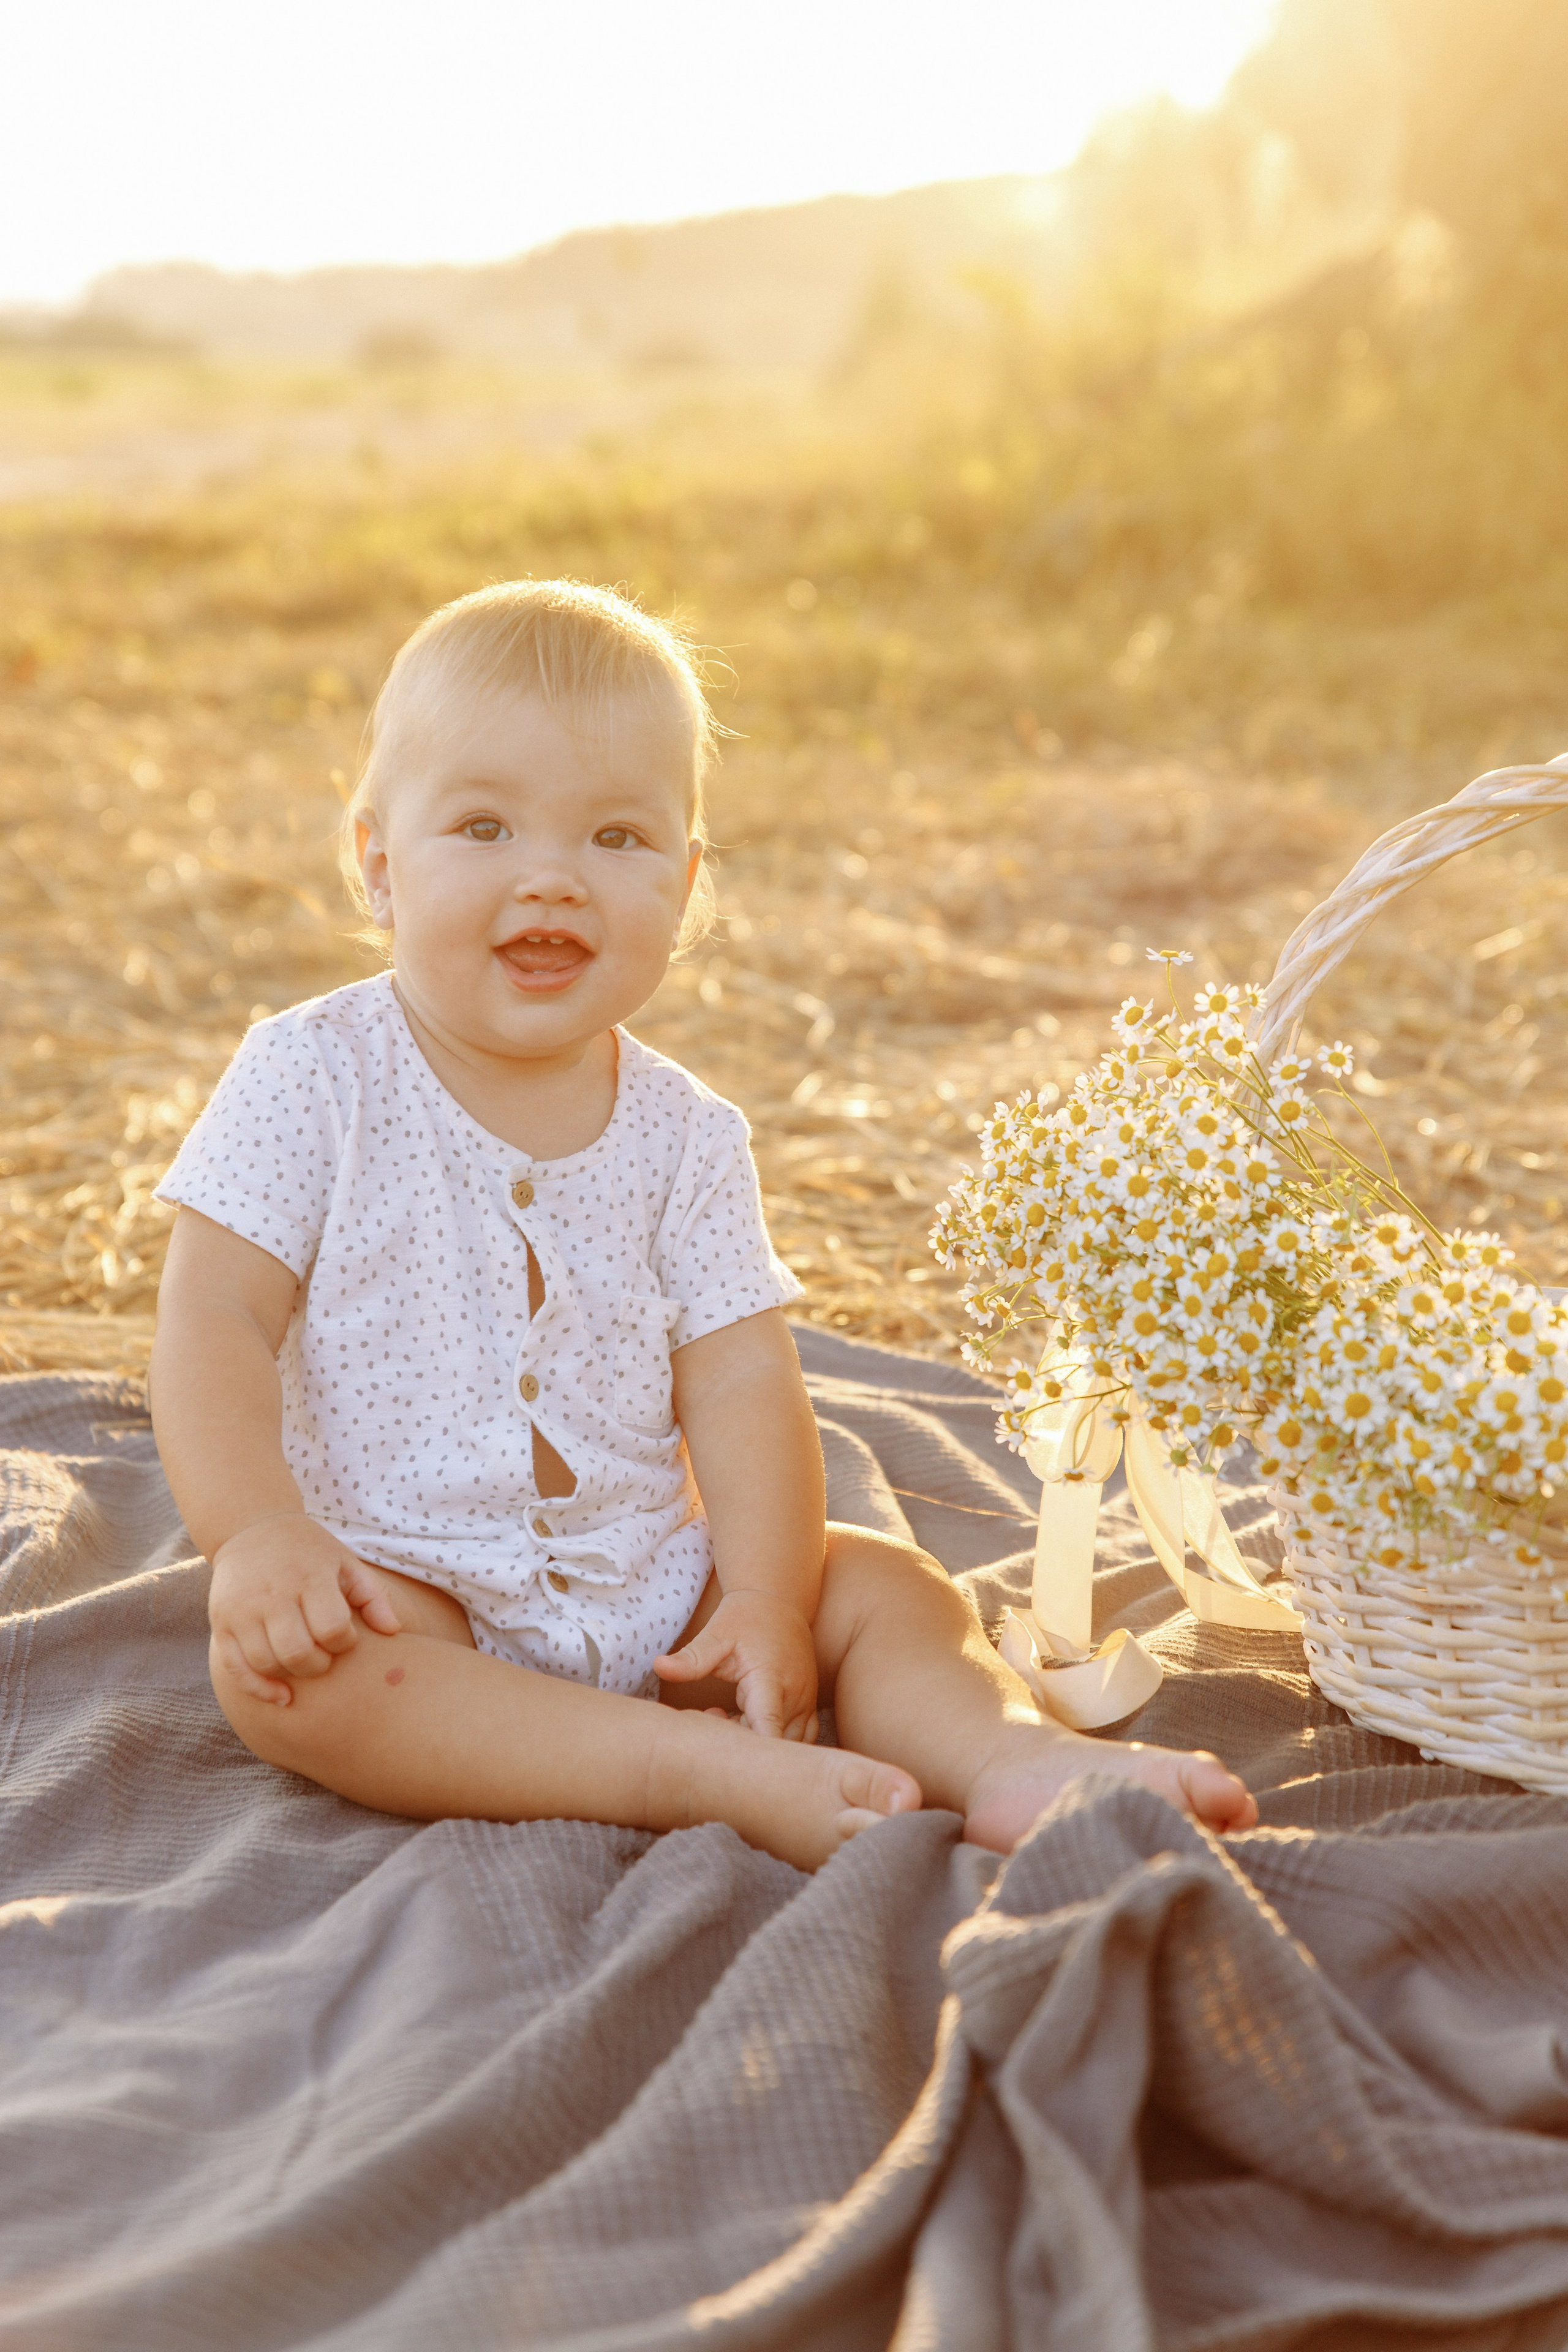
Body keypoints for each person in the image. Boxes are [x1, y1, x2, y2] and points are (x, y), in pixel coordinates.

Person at [149, 579, 1256, 1873]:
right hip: (410, 1586)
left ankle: (1011, 1756)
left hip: (656, 1589)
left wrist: (765, 1601)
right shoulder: (311, 1076)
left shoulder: (686, 1134)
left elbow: (741, 1381)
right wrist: (258, 1535)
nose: (551, 877)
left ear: (683, 883)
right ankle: (691, 1774)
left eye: (616, 839)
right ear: (378, 862)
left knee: (892, 1589)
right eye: (485, 826)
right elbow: (213, 1318)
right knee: (291, 1679)